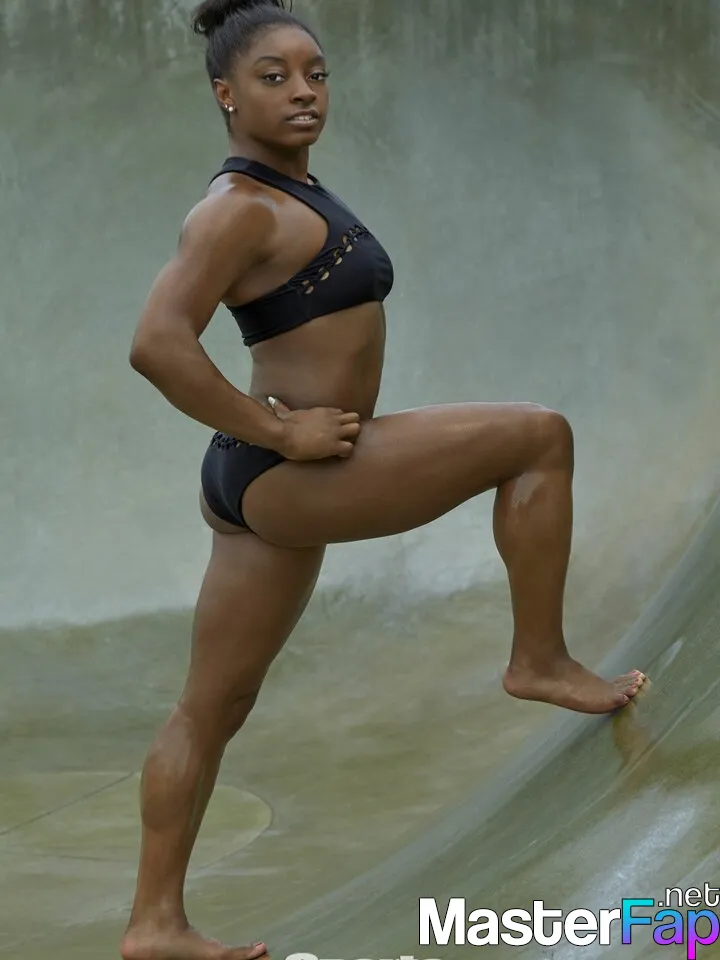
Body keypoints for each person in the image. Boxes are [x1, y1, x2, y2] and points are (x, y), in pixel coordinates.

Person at [121, 1, 646, 957]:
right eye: (274, 77)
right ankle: (538, 659)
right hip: (289, 469)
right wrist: (280, 430)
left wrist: (273, 437)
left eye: (316, 73)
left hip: (256, 482)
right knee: (539, 437)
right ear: (225, 93)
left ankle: (154, 924)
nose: (304, 92)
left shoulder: (289, 190)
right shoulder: (236, 210)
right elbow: (157, 343)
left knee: (212, 708)